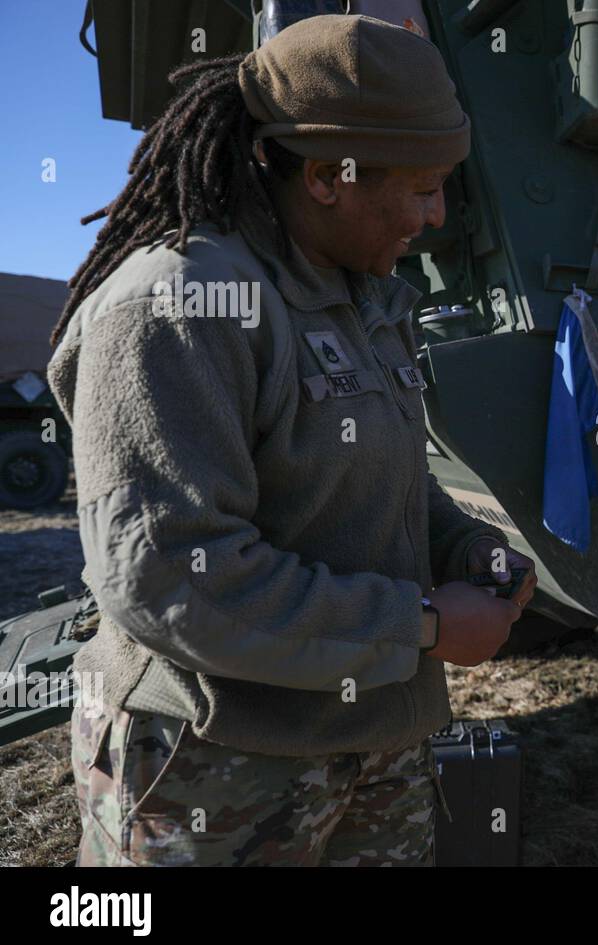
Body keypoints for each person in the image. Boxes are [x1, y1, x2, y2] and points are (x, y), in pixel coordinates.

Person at [47, 15, 535, 866]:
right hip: (212, 769)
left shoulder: (363, 291)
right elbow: (170, 572)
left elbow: (381, 472)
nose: (437, 214)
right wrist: (420, 625)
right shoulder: (177, 304)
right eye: (422, 187)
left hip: (375, 735)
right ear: (326, 177)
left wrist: (465, 549)